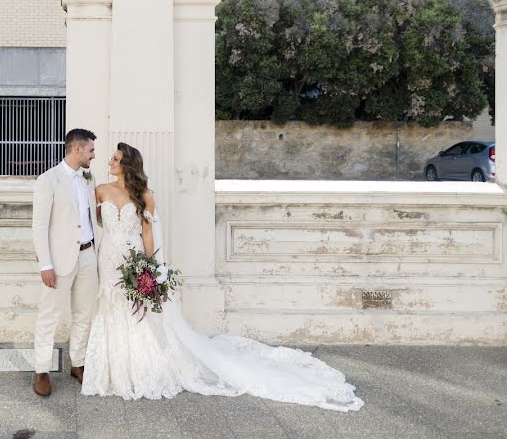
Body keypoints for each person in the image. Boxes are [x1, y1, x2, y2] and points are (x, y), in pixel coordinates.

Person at [81, 142, 364, 411]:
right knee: (110, 303)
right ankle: (112, 367)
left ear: (127, 165)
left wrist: (149, 267)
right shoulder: (101, 190)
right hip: (108, 258)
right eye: (112, 159)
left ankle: (140, 368)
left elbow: (147, 233)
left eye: (116, 159)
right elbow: (94, 221)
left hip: (134, 258)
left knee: (136, 310)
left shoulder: (144, 196)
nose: (110, 161)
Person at [30, 128, 99, 397]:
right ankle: (41, 370)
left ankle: (78, 364)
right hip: (58, 261)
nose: (94, 155)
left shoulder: (88, 179)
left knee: (84, 314)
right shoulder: (48, 180)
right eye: (91, 150)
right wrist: (45, 264)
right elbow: (39, 226)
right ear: (77, 149)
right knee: (49, 316)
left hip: (88, 255)